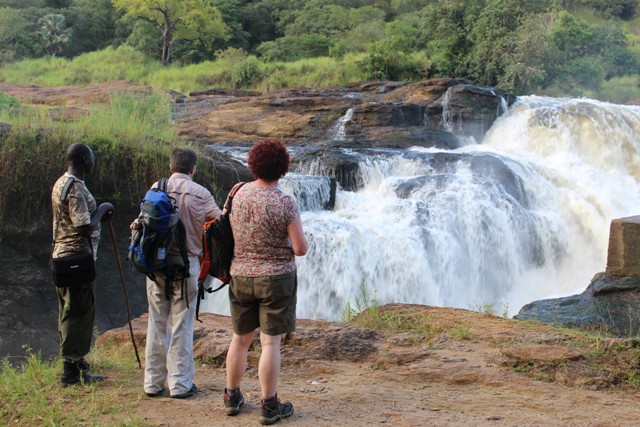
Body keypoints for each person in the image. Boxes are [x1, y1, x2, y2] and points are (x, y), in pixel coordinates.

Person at [223, 139, 308, 425]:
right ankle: (269, 405)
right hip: (275, 279)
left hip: (241, 275)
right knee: (270, 343)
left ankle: (232, 397)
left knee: (240, 338)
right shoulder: (284, 202)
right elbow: (300, 248)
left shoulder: (237, 194)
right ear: (282, 168)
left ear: (253, 165)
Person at [133, 147, 221, 399]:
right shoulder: (201, 193)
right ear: (193, 169)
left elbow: (143, 219)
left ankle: (152, 383)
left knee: (157, 321)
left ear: (170, 168)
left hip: (156, 266)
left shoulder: (157, 187)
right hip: (187, 266)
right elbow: (219, 225)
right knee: (183, 323)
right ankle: (180, 385)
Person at [51, 143, 114, 387]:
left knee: (69, 312)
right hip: (76, 259)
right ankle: (70, 372)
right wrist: (102, 209)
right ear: (85, 161)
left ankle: (75, 365)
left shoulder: (60, 182)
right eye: (92, 158)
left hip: (62, 257)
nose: (94, 162)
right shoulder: (75, 188)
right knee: (79, 313)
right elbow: (83, 226)